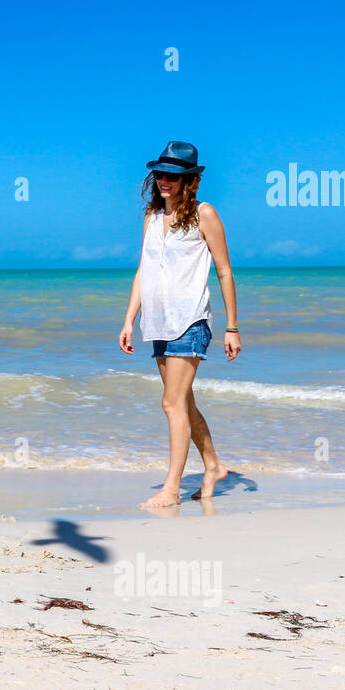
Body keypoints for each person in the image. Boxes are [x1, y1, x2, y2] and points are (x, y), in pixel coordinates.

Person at [119, 141, 241, 508]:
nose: (163, 181)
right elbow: (144, 270)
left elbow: (224, 270)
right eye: (159, 174)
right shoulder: (151, 218)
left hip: (190, 320)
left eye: (171, 175)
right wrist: (129, 319)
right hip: (157, 322)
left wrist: (232, 327)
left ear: (189, 179)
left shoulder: (205, 214)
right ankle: (214, 465)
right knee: (183, 404)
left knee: (171, 404)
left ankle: (170, 489)